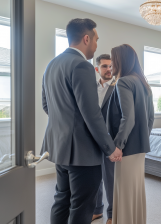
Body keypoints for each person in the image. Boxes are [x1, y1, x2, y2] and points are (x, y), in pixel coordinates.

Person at [40, 18, 122, 224]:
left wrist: (66, 125)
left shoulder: (52, 64)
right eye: (96, 39)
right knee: (82, 205)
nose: (96, 45)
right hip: (82, 153)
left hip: (59, 147)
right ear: (86, 38)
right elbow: (91, 113)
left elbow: (46, 105)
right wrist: (110, 148)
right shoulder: (82, 66)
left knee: (61, 199)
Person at [106, 44, 155, 224]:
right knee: (135, 190)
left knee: (124, 191)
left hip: (126, 148)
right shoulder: (143, 83)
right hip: (139, 147)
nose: (111, 64)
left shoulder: (124, 81)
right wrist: (142, 138)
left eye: (112, 60)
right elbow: (151, 118)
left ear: (120, 60)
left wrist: (118, 145)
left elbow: (128, 118)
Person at [92, 54, 116, 224]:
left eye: (111, 66)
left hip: (110, 140)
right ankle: (97, 209)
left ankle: (113, 214)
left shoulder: (118, 87)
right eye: (105, 66)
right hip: (92, 139)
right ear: (97, 69)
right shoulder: (91, 88)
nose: (109, 69)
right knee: (94, 177)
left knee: (110, 179)